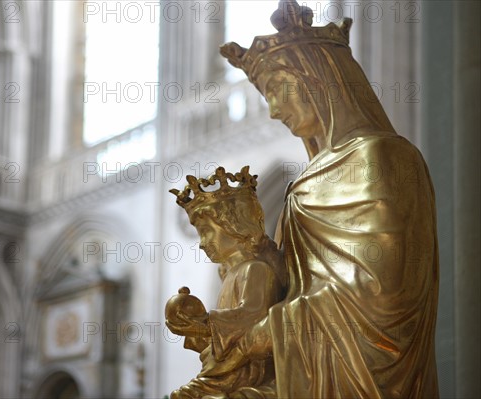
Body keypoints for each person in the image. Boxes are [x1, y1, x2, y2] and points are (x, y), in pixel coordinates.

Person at [220, 1, 439, 398]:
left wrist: (270, 331)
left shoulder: (383, 157)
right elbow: (292, 286)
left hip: (366, 376)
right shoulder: (301, 185)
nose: (272, 111)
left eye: (274, 90)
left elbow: (385, 294)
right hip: (307, 369)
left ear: (316, 79)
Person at [167, 166, 286, 399]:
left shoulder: (255, 270)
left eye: (206, 232)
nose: (202, 243)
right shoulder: (230, 276)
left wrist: (207, 323)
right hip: (227, 369)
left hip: (250, 369)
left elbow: (253, 316)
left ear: (234, 225)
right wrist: (196, 329)